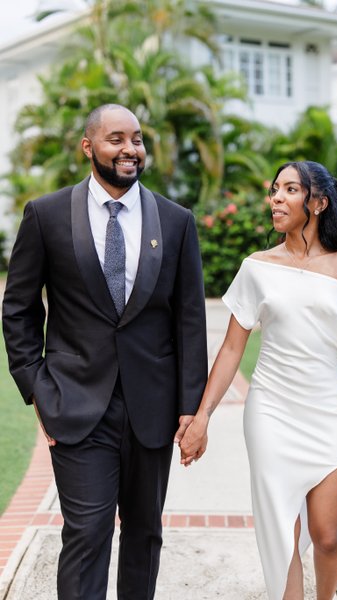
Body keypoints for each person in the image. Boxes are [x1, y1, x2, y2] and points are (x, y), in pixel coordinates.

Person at [2, 103, 208, 600]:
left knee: (144, 534)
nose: (130, 149)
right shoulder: (46, 215)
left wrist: (191, 409)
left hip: (152, 411)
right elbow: (19, 310)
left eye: (136, 139)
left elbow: (189, 320)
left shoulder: (176, 222)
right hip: (74, 405)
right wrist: (38, 391)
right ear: (88, 147)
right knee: (87, 533)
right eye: (116, 139)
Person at [179, 160, 337, 600]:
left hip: (329, 412)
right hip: (271, 412)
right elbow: (232, 348)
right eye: (274, 189)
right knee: (282, 536)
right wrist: (202, 419)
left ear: (317, 202)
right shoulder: (257, 266)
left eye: (289, 190)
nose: (274, 198)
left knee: (329, 536)